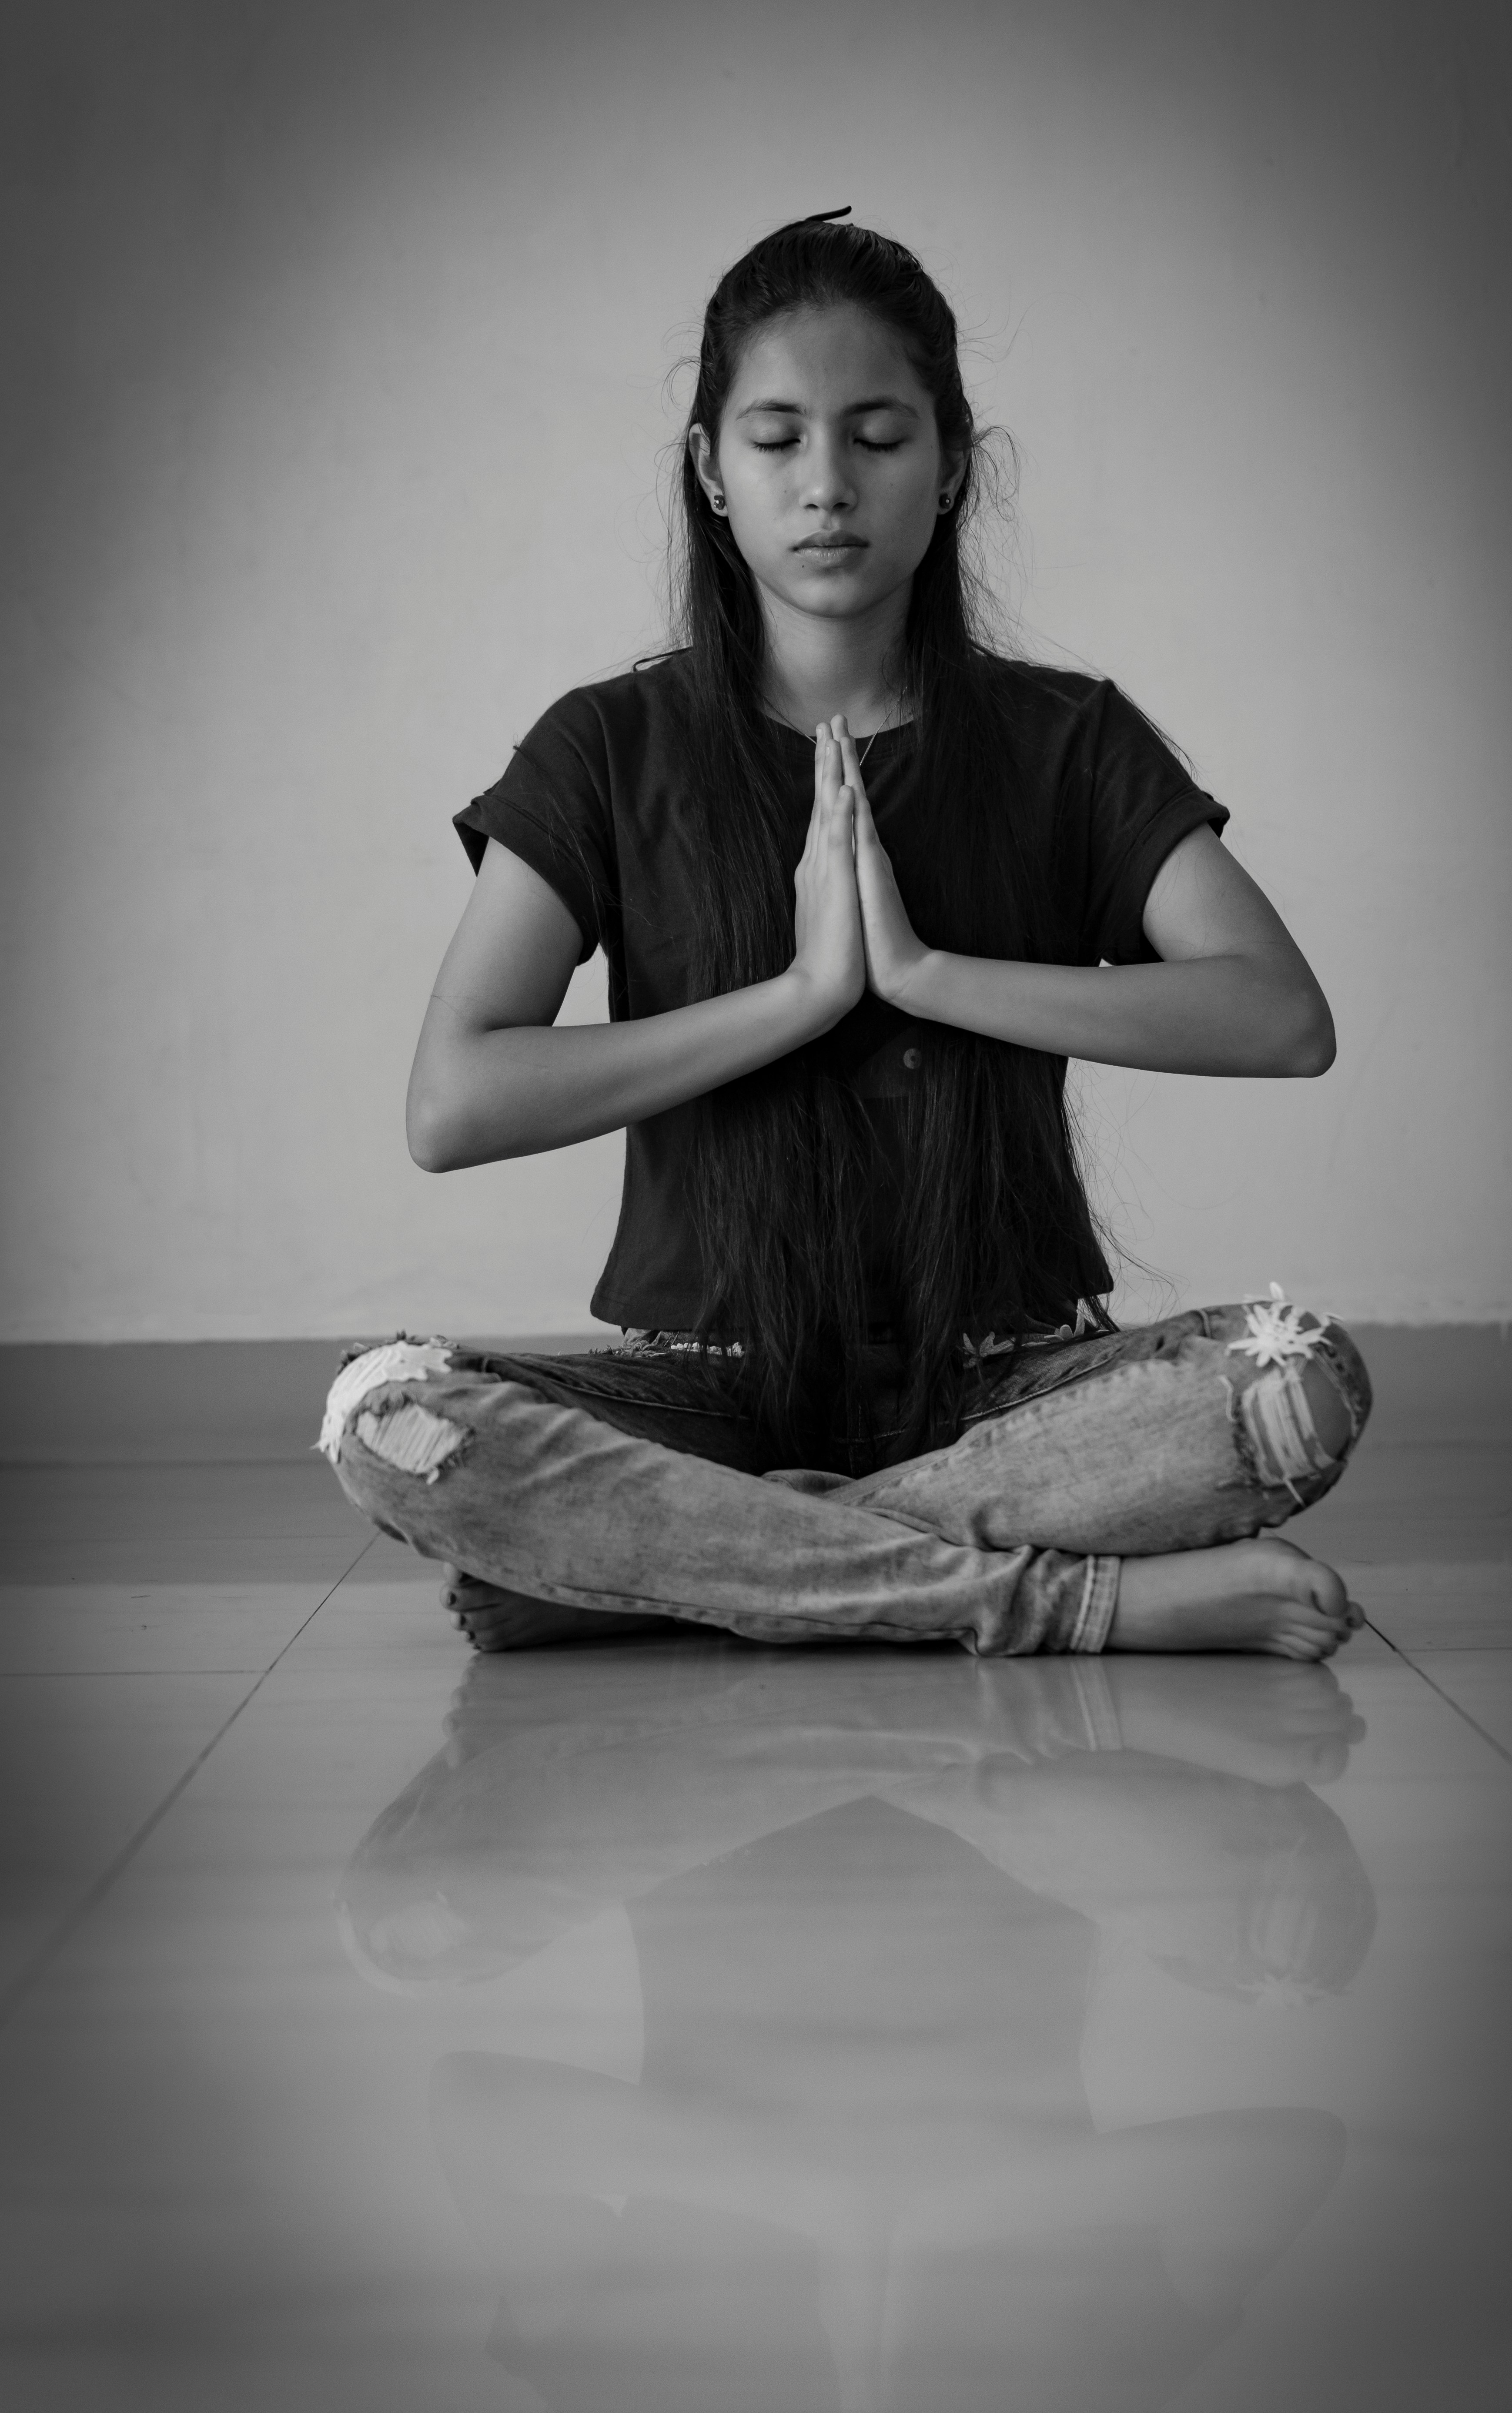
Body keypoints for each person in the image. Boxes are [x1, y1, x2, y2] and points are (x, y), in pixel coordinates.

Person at [319, 211, 1372, 1662]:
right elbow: (452, 1104)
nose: (827, 485)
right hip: (709, 1389)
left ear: (953, 464)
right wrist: (802, 997)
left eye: (878, 437)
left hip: (1004, 1383)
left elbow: (1281, 1018)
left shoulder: (1067, 739)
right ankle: (1058, 1600)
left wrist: (928, 975)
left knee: (1298, 1381)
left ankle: (667, 1561)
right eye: (778, 440)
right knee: (386, 1415)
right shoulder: (607, 746)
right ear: (711, 470)